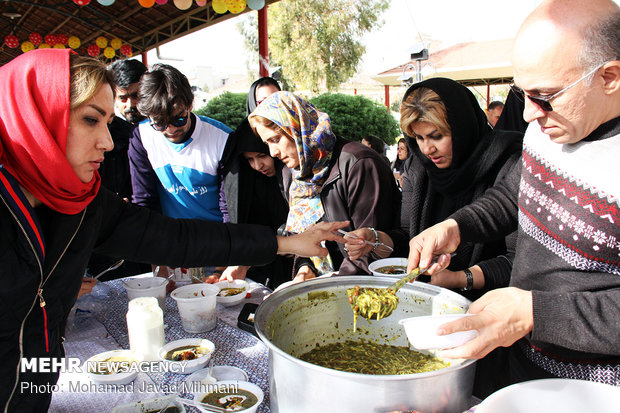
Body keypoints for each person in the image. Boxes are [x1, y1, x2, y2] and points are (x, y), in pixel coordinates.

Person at [0, 49, 347, 411]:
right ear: (35, 116)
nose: (106, 141)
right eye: (91, 120)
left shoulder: (83, 202)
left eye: (106, 122)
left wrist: (282, 243)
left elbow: (175, 238)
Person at [405, 0, 620, 396]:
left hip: (593, 390)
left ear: (609, 76)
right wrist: (457, 227)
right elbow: (513, 195)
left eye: (545, 95)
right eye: (523, 96)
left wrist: (535, 312)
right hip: (519, 365)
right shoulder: (548, 127)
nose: (527, 116)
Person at [344, 78, 522, 300]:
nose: (428, 148)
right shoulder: (418, 168)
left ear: (461, 127)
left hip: (490, 304)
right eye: (419, 138)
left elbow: (517, 261)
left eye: (437, 136)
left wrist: (458, 278)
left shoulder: (509, 163)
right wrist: (374, 239)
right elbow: (408, 237)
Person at [249, 91, 401, 278]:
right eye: (267, 143)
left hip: (367, 285)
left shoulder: (358, 164)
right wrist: (305, 269)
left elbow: (368, 247)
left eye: (275, 139)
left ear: (297, 129)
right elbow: (304, 236)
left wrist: (329, 288)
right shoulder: (295, 173)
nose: (273, 152)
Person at [128, 63, 237, 281]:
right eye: (159, 123)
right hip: (170, 245)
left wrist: (220, 267)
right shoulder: (142, 137)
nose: (170, 129)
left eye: (178, 118)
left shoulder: (222, 139)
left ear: (190, 104)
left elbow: (230, 210)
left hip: (216, 244)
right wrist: (158, 263)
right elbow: (144, 203)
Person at [218, 77, 292, 289]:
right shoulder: (242, 143)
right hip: (259, 260)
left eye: (275, 99)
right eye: (261, 103)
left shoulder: (292, 160)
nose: (258, 165)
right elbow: (232, 205)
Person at [85, 59, 150, 284]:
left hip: (147, 232)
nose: (130, 105)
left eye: (137, 96)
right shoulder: (112, 135)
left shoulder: (168, 134)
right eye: (122, 98)